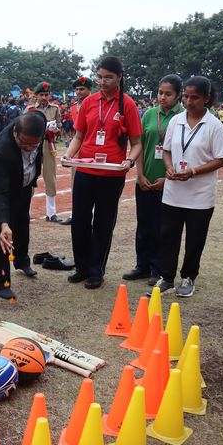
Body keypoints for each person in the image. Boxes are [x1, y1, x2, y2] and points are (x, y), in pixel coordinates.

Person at [62, 56, 143, 289]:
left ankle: (96, 270)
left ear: (119, 78)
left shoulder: (126, 104)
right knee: (79, 220)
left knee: (103, 223)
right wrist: (69, 156)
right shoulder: (89, 102)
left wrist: (128, 160)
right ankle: (81, 267)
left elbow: (136, 143)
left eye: (108, 77)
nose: (102, 81)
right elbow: (78, 136)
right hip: (86, 170)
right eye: (99, 77)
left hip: (111, 174)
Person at [148, 76, 223, 298]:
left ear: (207, 99)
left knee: (195, 239)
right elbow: (166, 150)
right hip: (174, 192)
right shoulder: (177, 121)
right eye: (186, 96)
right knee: (168, 236)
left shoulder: (214, 125)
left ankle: (188, 277)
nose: (189, 101)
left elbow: (222, 159)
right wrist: (169, 168)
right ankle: (166, 277)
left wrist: (192, 171)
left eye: (195, 97)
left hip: (200, 195)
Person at [0, 111, 47, 300]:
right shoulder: (1, 150)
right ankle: (2, 282)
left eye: (33, 145)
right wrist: (3, 223)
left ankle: (22, 261)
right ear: (15, 132)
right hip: (1, 188)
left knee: (23, 222)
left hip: (23, 185)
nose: (28, 148)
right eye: (23, 143)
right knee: (5, 234)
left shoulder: (40, 122)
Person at [123, 74, 184, 287]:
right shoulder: (149, 114)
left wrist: (166, 179)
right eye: (160, 93)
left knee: (163, 228)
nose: (163, 97)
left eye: (168, 94)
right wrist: (140, 175)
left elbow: (184, 153)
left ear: (178, 95)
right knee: (144, 226)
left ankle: (158, 269)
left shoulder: (183, 117)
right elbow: (138, 144)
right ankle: (142, 265)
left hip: (169, 182)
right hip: (145, 180)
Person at [26, 81, 66, 224]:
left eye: (46, 94)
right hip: (33, 146)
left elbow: (60, 127)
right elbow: (24, 127)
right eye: (41, 95)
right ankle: (26, 212)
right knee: (29, 177)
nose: (44, 97)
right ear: (36, 96)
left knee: (50, 177)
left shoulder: (55, 109)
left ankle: (51, 213)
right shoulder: (30, 109)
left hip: (49, 144)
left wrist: (55, 128)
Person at [61, 77, 95, 225]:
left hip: (92, 144)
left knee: (94, 180)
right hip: (78, 145)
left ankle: (93, 213)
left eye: (82, 89)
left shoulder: (96, 104)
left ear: (89, 90)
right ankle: (76, 213)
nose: (79, 92)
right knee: (76, 180)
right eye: (77, 89)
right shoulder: (74, 107)